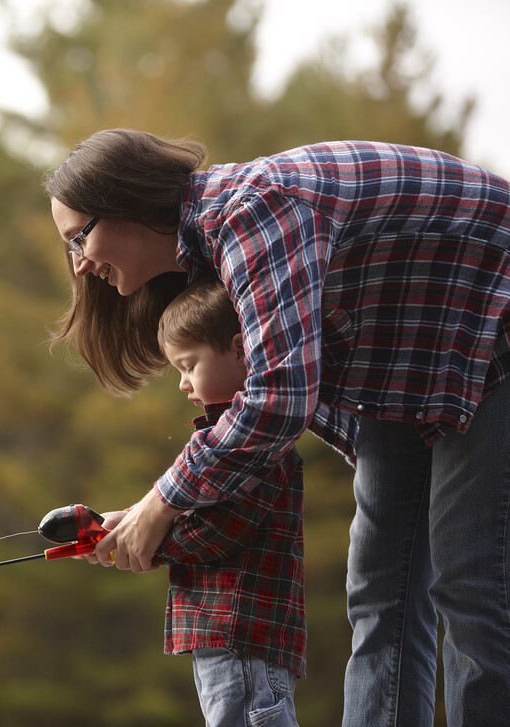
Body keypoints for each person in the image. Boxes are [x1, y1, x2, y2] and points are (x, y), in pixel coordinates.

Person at [44, 129, 510, 727]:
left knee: (467, 583)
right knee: (378, 589)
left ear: (129, 202)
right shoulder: (208, 260)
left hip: (488, 321)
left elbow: (278, 399)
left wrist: (162, 503)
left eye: (79, 237)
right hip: (408, 358)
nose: (80, 263)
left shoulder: (253, 212)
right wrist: (148, 515)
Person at [147, 274, 305, 726]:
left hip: (242, 635)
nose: (182, 383)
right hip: (224, 638)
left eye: (188, 365)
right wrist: (131, 523)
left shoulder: (256, 445)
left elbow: (220, 531)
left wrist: (151, 543)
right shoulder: (214, 446)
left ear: (239, 349)